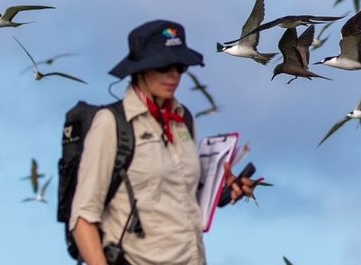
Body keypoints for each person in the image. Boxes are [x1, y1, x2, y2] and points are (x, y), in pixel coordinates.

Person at [69, 20, 258, 265]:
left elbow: (178, 197)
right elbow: (82, 219)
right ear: (140, 69)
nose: (172, 75)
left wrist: (221, 190)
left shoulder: (184, 120)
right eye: (163, 66)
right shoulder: (112, 123)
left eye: (179, 67)